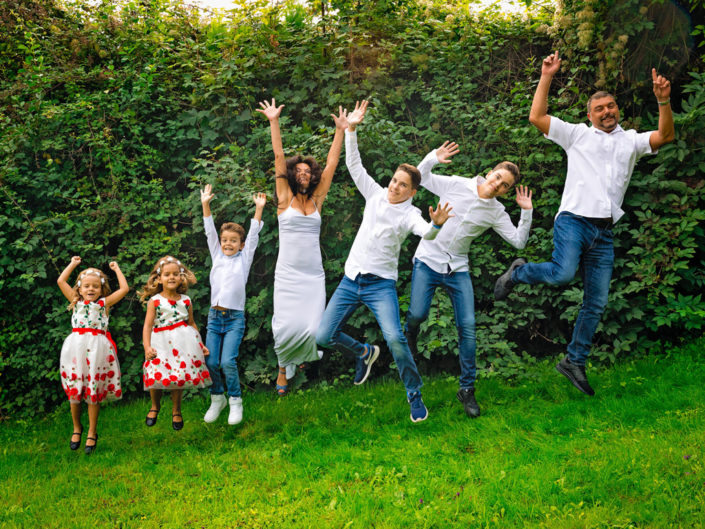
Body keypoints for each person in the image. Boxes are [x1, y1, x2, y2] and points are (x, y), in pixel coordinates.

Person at [494, 51, 675, 395]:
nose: (607, 112)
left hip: (604, 232)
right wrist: (547, 75)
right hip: (574, 222)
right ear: (589, 115)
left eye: (611, 106)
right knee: (562, 274)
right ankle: (518, 272)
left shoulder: (631, 141)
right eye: (599, 109)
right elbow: (537, 116)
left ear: (616, 110)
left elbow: (664, 137)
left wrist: (663, 101)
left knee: (596, 302)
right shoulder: (577, 135)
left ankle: (574, 361)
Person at [316, 100, 453, 423]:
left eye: (402, 185)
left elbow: (426, 233)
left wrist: (436, 225)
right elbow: (354, 165)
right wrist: (351, 129)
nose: (394, 186)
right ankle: (363, 352)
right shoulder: (376, 195)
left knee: (394, 338)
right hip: (352, 281)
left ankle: (414, 393)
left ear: (413, 192)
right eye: (394, 180)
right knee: (323, 336)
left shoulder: (410, 214)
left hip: (380, 286)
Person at [405, 142, 533, 418]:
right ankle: (410, 333)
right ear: (490, 173)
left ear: (507, 192)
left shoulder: (496, 212)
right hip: (428, 259)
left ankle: (467, 389)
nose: (499, 185)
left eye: (505, 186)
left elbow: (518, 242)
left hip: (458, 268)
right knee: (417, 313)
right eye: (498, 177)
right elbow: (421, 177)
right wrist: (433, 159)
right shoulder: (457, 184)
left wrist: (526, 211)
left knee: (468, 328)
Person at [256, 98, 349, 395]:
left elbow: (333, 163)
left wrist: (341, 130)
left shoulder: (317, 200)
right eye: (300, 171)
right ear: (294, 175)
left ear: (313, 176)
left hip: (312, 275)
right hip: (288, 274)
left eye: (309, 171)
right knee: (283, 327)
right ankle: (284, 367)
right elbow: (279, 156)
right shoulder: (284, 198)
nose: (304, 174)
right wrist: (274, 121)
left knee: (312, 329)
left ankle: (300, 359)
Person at [200, 186, 266, 425]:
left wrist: (258, 210)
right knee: (211, 362)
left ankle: (236, 401)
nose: (228, 244)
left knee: (227, 361)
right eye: (225, 240)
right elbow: (209, 231)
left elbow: (254, 236)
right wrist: (205, 204)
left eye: (233, 241)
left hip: (235, 318)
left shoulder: (244, 258)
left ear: (241, 243)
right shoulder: (217, 255)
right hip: (214, 318)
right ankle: (217, 398)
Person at [57, 257, 129, 454]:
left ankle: (92, 431)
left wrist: (116, 268)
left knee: (92, 390)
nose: (90, 289)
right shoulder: (76, 301)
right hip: (76, 348)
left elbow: (124, 289)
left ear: (101, 289)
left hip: (97, 350)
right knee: (75, 390)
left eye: (95, 286)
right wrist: (72, 264)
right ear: (79, 289)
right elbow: (61, 281)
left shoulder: (104, 304)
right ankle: (76, 427)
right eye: (86, 286)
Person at [139, 256, 211, 430]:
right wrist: (147, 347)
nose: (171, 277)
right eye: (166, 274)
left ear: (181, 278)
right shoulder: (155, 301)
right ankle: (155, 406)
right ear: (159, 278)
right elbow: (148, 326)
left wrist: (200, 344)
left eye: (175, 274)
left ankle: (176, 410)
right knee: (155, 373)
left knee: (177, 376)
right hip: (160, 342)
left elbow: (191, 323)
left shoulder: (186, 300)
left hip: (182, 343)